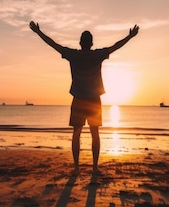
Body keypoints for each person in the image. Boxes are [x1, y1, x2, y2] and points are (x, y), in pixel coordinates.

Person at [29, 21, 139, 174]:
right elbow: (116, 46)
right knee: (95, 133)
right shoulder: (97, 54)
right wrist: (130, 36)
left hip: (79, 99)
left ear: (80, 43)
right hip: (94, 100)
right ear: (92, 43)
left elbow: (53, 44)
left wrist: (38, 32)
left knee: (76, 133)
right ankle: (94, 168)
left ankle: (76, 168)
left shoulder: (74, 55)